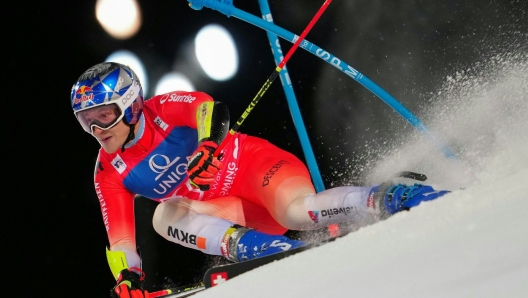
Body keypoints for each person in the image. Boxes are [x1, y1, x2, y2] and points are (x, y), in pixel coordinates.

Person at [70, 62, 450, 298]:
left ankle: (393, 196)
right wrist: (128, 278)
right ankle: (262, 249)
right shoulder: (109, 171)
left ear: (132, 104)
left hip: (257, 169)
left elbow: (211, 108)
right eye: (87, 120)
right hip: (236, 212)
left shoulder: (162, 110)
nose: (97, 128)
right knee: (163, 216)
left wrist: (208, 146)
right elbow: (120, 238)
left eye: (103, 114)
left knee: (298, 213)